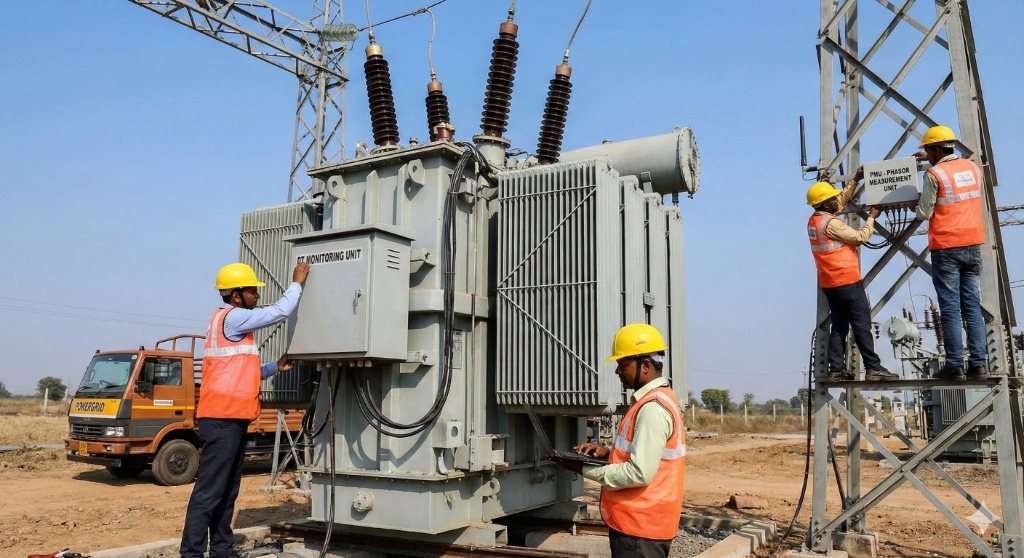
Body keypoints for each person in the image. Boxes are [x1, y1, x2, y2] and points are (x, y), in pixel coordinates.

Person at [179, 261, 310, 558]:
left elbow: (242, 371)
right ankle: (192, 554)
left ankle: (222, 551)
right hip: (223, 419)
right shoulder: (233, 318)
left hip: (231, 420)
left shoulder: (229, 325)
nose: (256, 296)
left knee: (226, 492)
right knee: (209, 492)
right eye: (252, 291)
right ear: (236, 295)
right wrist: (297, 283)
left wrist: (274, 367)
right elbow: (279, 312)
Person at [552, 324, 686, 558]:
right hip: (646, 525)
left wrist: (583, 468)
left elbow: (639, 473)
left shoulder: (652, 408)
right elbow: (648, 456)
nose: (617, 371)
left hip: (639, 528)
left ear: (645, 366)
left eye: (623, 365)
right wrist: (607, 454)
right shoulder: (659, 398)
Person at [913, 125, 988, 381]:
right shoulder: (973, 169)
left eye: (928, 151)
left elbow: (924, 212)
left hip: (946, 248)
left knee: (950, 308)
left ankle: (955, 364)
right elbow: (954, 179)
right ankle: (979, 364)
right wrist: (930, 161)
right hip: (973, 245)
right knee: (972, 306)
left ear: (935, 149)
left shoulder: (934, 174)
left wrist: (916, 200)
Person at [806, 178, 899, 382]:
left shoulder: (815, 221)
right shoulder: (832, 224)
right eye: (831, 198)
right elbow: (859, 238)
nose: (836, 200)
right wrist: (871, 218)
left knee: (840, 326)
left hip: (830, 284)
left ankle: (836, 370)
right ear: (824, 203)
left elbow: (840, 202)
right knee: (861, 325)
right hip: (847, 281)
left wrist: (855, 180)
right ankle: (873, 368)